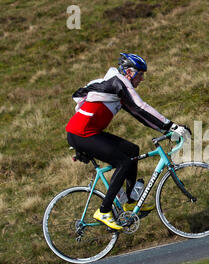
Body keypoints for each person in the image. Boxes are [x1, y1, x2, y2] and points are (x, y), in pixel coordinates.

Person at [65, 53, 189, 230]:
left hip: (88, 133)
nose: (142, 79)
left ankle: (130, 202)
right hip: (81, 133)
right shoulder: (118, 82)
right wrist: (172, 126)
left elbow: (140, 115)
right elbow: (141, 106)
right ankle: (103, 211)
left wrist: (166, 129)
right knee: (123, 162)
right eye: (140, 74)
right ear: (129, 73)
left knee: (132, 150)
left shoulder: (118, 89)